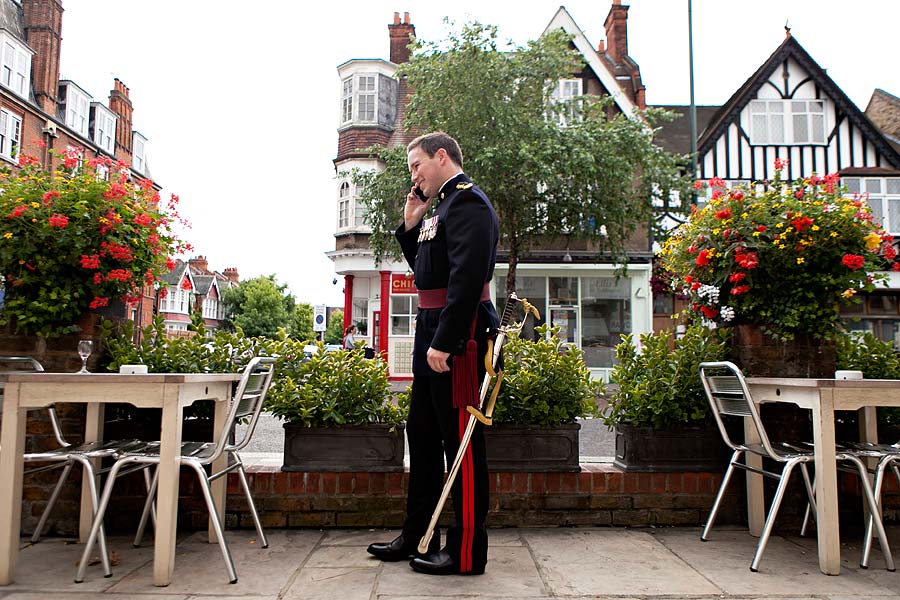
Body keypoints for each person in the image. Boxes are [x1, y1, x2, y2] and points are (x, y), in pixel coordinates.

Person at [366, 132, 499, 575]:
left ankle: (465, 554)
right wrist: (409, 224)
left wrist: (446, 340)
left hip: (458, 338)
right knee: (421, 437)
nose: (413, 175)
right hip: (433, 331)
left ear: (442, 156)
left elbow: (465, 279)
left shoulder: (468, 203)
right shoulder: (439, 207)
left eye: (416, 165)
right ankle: (418, 534)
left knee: (460, 444)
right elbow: (428, 273)